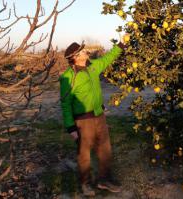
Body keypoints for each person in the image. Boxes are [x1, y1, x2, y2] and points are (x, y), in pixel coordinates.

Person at [59, 40, 125, 196]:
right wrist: (71, 128)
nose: (85, 52)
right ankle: (85, 184)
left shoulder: (92, 66)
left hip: (99, 116)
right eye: (82, 51)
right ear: (75, 57)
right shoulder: (68, 78)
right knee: (84, 155)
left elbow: (107, 59)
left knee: (105, 150)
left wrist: (121, 45)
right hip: (83, 121)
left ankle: (104, 179)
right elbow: (65, 105)